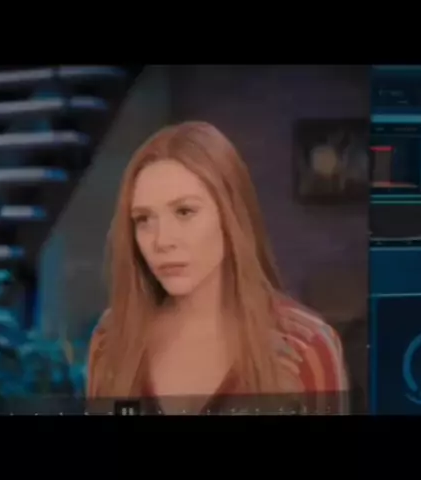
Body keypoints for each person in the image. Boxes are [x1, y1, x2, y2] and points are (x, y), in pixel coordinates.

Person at [87, 121, 349, 415]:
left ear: (230, 215)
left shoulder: (305, 347)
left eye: (184, 211)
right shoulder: (111, 340)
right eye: (144, 219)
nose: (161, 241)